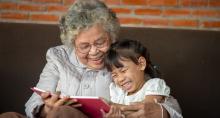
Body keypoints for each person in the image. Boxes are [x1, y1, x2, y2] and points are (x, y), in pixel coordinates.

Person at [0, 0, 182, 118]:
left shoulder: (120, 60)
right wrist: (46, 109)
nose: (94, 52)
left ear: (111, 37)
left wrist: (159, 111)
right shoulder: (58, 57)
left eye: (100, 42)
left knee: (63, 113)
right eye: (84, 46)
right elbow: (33, 103)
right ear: (72, 44)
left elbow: (159, 96)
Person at [101, 39, 182, 118]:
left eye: (123, 71)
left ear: (141, 64)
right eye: (114, 75)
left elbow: (145, 111)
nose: (120, 79)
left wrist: (111, 106)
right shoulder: (117, 91)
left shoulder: (153, 85)